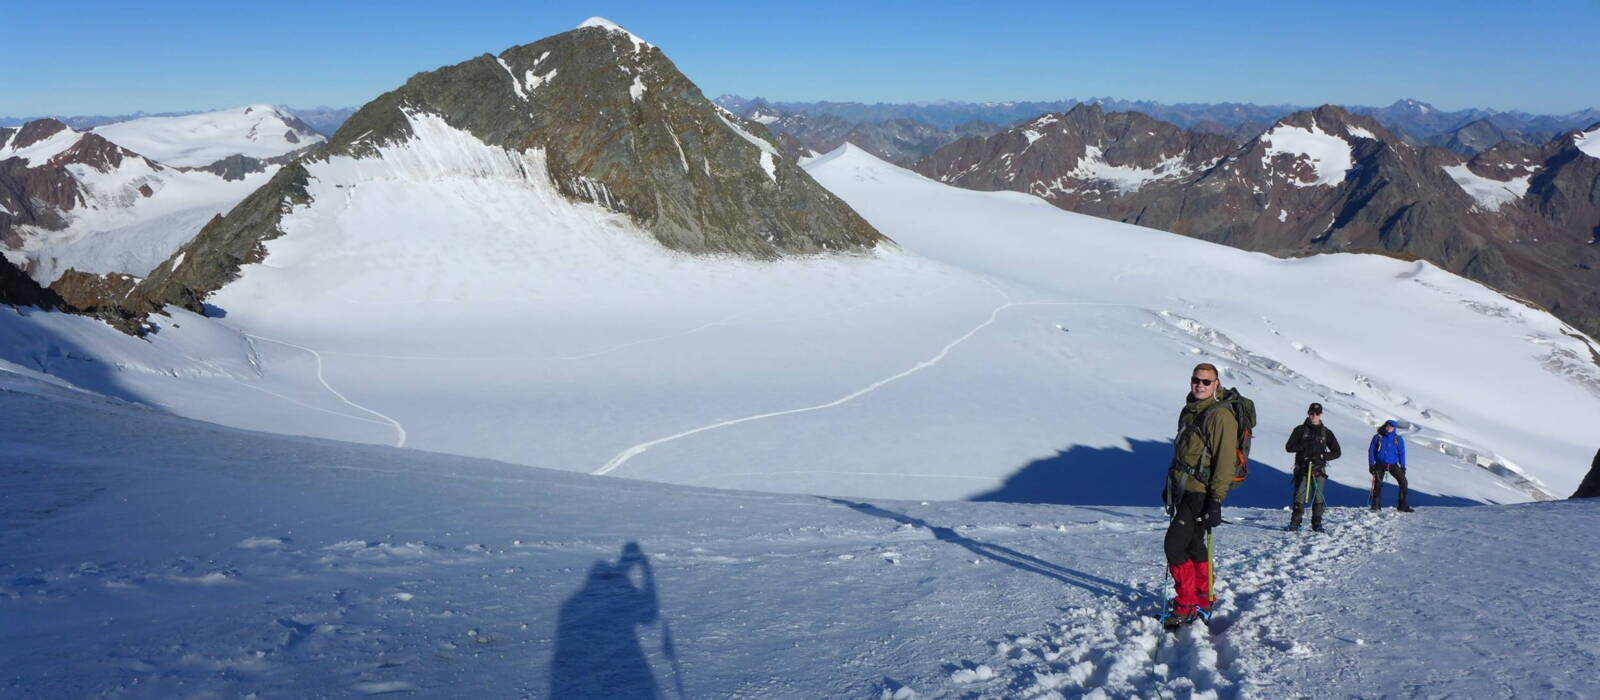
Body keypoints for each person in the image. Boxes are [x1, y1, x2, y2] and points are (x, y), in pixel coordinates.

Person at [1161, 362, 1238, 628]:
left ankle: (1185, 606)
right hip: (1184, 488)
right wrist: (1170, 484)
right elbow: (1182, 451)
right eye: (1196, 380)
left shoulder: (1221, 416)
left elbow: (1225, 462)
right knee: (1193, 546)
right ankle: (1202, 601)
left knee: (1174, 545)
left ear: (1216, 384)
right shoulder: (1189, 410)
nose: (1200, 385)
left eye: (1207, 381)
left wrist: (1216, 501)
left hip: (1201, 493)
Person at [1284, 402, 1341, 531]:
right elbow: (1289, 447)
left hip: (1318, 469)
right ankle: (1295, 523)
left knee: (1318, 496)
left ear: (1321, 415)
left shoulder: (1326, 433)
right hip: (1302, 467)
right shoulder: (1299, 430)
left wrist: (1323, 456)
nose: (1313, 416)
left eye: (1316, 414)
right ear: (1308, 413)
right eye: (1311, 413)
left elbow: (1337, 452)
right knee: (1299, 495)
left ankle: (1317, 524)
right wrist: (1303, 447)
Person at [1368, 420, 1413, 512]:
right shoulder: (1378, 437)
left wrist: (1403, 466)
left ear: (1394, 428)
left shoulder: (1398, 439)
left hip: (1392, 464)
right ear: (1385, 426)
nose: (1389, 428)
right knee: (1377, 484)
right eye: (1388, 426)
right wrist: (1371, 464)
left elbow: (1401, 453)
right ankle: (1376, 505)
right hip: (1380, 463)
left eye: (1391, 426)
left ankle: (1402, 505)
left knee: (1403, 482)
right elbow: (1371, 450)